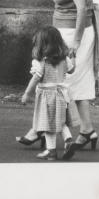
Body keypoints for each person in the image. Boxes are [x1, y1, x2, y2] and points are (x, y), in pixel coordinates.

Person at [17, 0, 99, 152]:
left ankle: (39, 130)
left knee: (55, 84)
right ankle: (87, 130)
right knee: (77, 83)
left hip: (72, 34)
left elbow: (82, 8)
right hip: (72, 32)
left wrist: (76, 42)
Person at [20, 26, 80, 160]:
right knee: (60, 121)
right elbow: (71, 70)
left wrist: (27, 94)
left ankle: (51, 151)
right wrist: (73, 57)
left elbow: (35, 78)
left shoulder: (40, 62)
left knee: (47, 124)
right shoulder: (64, 59)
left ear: (41, 44)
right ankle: (69, 141)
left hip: (47, 96)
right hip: (61, 94)